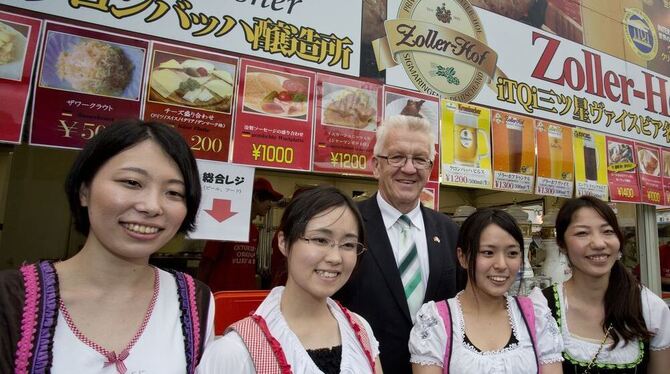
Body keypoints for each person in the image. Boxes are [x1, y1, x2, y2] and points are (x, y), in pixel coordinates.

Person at [0, 119, 214, 373]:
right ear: (84, 190)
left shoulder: (194, 301)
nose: (152, 206)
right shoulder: (10, 298)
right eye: (132, 182)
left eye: (174, 193)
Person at [197, 185, 382, 373]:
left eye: (348, 244)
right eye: (320, 240)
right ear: (283, 242)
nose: (335, 257)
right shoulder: (235, 353)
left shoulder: (361, 331)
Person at [336, 115, 462, 374]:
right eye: (396, 157)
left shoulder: (450, 232)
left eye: (419, 159)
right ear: (376, 166)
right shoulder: (346, 225)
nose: (408, 168)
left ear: (429, 168)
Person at [408, 208, 564, 373]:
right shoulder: (435, 322)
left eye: (512, 253)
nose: (501, 265)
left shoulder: (536, 316)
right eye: (488, 253)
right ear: (463, 257)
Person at [534, 196, 670, 373]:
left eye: (607, 231)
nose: (598, 243)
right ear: (562, 244)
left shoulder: (649, 307)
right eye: (582, 233)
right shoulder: (542, 308)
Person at [197, 177, 283, 291]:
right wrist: (199, 294)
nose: (270, 205)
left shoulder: (254, 231)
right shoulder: (224, 225)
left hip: (242, 296)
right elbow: (206, 263)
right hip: (220, 297)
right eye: (268, 199)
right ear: (256, 197)